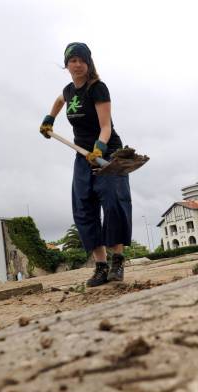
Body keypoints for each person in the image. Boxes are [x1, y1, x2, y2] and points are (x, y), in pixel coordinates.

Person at [39, 42, 131, 287]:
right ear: (67, 64)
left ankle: (118, 261)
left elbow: (105, 127)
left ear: (88, 63)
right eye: (72, 60)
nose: (77, 64)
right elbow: (60, 100)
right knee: (83, 208)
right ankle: (100, 266)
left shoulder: (97, 88)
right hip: (82, 156)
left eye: (81, 60)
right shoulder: (69, 91)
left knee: (113, 204)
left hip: (107, 154)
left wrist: (99, 147)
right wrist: (50, 118)